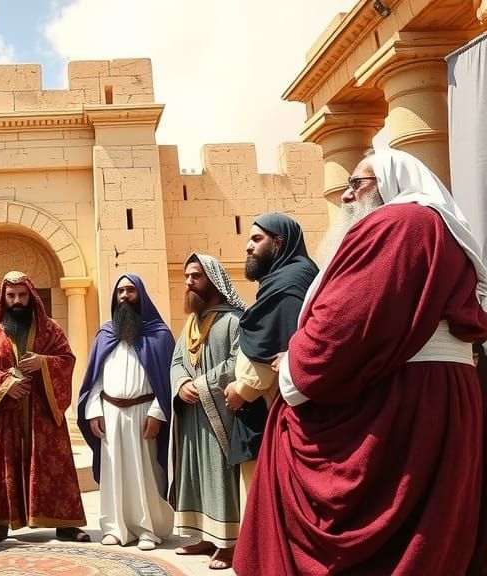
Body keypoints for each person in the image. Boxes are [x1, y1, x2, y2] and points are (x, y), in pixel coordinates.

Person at [236, 149, 487, 575]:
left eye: (358, 184)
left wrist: (296, 363)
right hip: (431, 392)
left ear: (391, 183)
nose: (347, 196)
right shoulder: (433, 226)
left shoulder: (399, 222)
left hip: (404, 397)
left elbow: (346, 322)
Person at [0, 271, 89, 544]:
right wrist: (6, 384)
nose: (17, 301)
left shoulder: (51, 329)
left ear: (31, 295)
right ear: (3, 297)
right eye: (11, 295)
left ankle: (66, 523)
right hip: (5, 412)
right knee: (2, 465)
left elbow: (67, 360)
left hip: (43, 411)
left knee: (54, 464)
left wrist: (43, 363)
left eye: (22, 295)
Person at [224, 214, 317, 517]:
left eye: (256, 239)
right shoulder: (291, 277)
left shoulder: (288, 283)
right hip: (275, 405)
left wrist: (242, 390)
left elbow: (273, 345)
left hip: (274, 407)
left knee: (269, 502)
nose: (248, 247)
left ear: (279, 242)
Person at [77, 274, 175, 550]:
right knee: (113, 474)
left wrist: (157, 413)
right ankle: (115, 528)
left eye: (130, 291)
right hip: (109, 414)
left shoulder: (159, 334)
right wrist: (93, 410)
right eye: (120, 291)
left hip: (144, 414)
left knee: (146, 473)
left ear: (140, 294)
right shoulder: (106, 334)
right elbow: (94, 378)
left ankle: (148, 530)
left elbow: (167, 379)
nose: (124, 296)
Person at [170, 253, 244, 571]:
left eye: (196, 276)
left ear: (213, 280)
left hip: (220, 413)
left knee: (220, 475)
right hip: (191, 413)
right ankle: (204, 536)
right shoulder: (190, 323)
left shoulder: (234, 320)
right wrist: (181, 383)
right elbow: (176, 361)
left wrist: (200, 384)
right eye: (186, 276)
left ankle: (229, 544)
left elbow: (237, 362)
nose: (189, 282)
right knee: (196, 474)